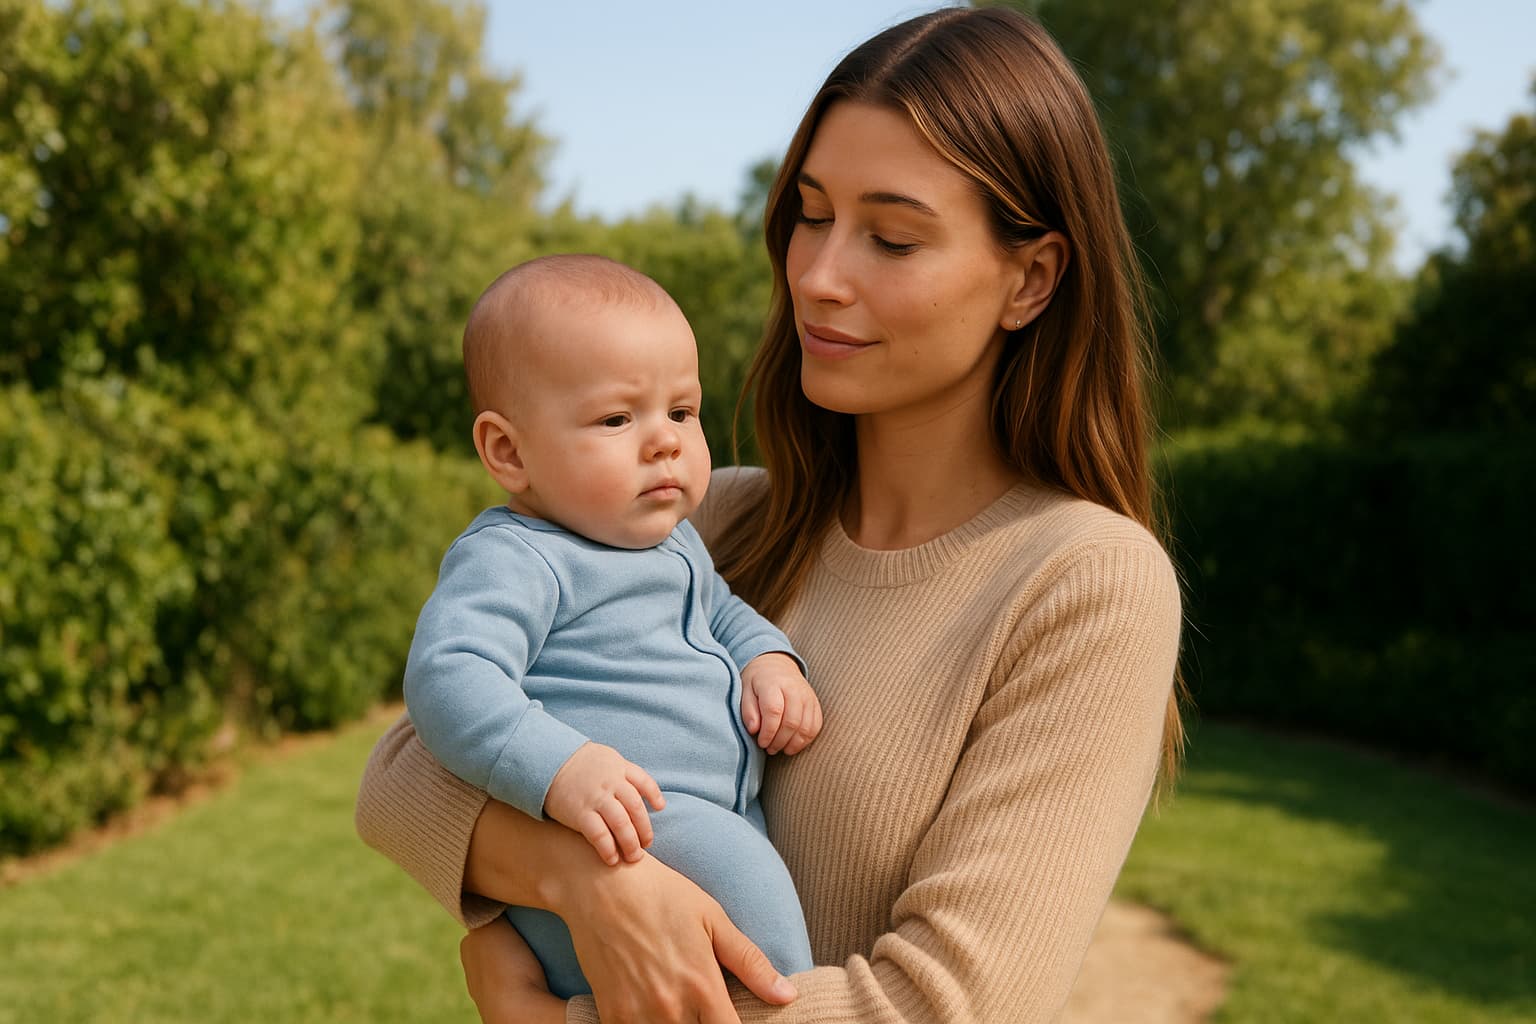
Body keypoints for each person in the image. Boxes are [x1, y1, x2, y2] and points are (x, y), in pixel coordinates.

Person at [356, 7, 1185, 1022]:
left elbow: (953, 1004)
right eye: (810, 213)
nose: (819, 276)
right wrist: (587, 883)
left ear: (1032, 278)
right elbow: (399, 773)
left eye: (890, 236)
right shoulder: (712, 519)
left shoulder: (1086, 580)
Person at [399, 254, 821, 999]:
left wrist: (767, 660)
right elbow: (448, 675)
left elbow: (720, 612)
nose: (663, 441)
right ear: (509, 451)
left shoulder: (673, 539)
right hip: (632, 820)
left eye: (681, 413)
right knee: (753, 896)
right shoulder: (519, 557)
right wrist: (560, 767)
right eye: (617, 418)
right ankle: (792, 1004)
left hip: (706, 813)